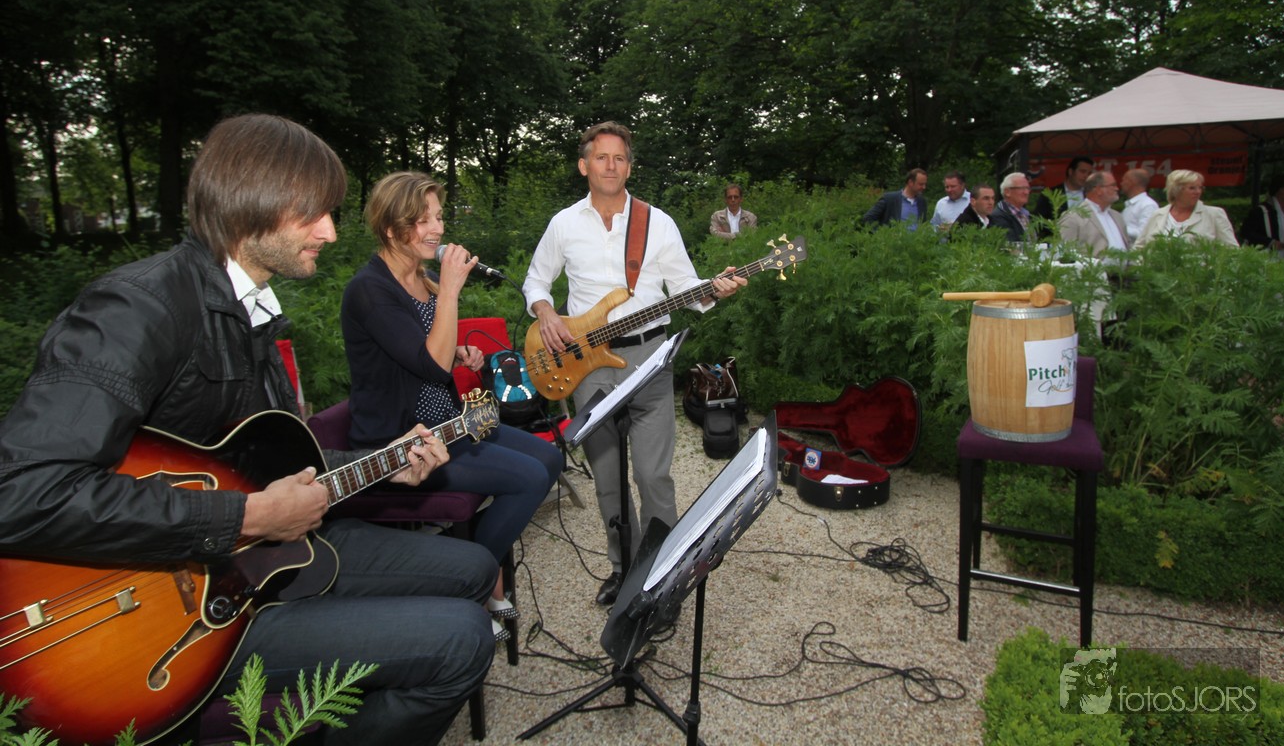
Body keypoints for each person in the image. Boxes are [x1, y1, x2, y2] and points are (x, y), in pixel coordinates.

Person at [0, 115, 497, 745]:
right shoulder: (138, 307)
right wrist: (247, 517)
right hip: (173, 610)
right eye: (314, 212)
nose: (330, 231)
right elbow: (22, 492)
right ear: (250, 203)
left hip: (263, 559)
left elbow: (254, 464)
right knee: (462, 639)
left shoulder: (252, 312)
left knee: (475, 568)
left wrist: (385, 461)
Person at [522, 121, 747, 607]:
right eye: (601, 157)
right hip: (586, 364)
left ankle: (662, 573)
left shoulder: (656, 222)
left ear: (629, 166)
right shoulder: (563, 224)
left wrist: (714, 289)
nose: (611, 166)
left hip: (649, 357)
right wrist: (545, 312)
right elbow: (536, 281)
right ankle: (623, 568)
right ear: (584, 165)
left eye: (619, 158)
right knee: (607, 479)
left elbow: (685, 287)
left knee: (653, 476)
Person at [341, 171, 563, 636]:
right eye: (422, 220)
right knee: (526, 479)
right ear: (391, 228)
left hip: (448, 424)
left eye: (439, 217)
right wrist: (450, 292)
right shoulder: (370, 289)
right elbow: (431, 365)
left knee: (549, 457)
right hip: (404, 442)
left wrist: (461, 350)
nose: (437, 229)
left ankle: (469, 569)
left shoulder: (419, 278)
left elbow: (423, 348)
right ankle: (472, 578)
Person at [1133, 168, 1239, 248]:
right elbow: (1139, 247)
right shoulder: (1158, 215)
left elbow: (1231, 249)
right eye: (1192, 188)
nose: (1198, 192)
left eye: (1200, 187)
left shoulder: (1214, 214)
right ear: (1176, 190)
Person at [1057, 170, 1130, 258]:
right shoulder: (1073, 217)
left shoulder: (1117, 216)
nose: (1117, 188)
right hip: (1093, 266)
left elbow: (1128, 246)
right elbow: (1066, 252)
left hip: (1124, 267)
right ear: (1098, 190)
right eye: (1113, 185)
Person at [1239, 174, 1284, 251]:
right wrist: (1270, 242)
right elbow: (1246, 232)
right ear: (1277, 190)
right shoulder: (1262, 211)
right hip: (1269, 254)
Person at [1035, 156, 1095, 224]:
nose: (1086, 176)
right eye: (1082, 171)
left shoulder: (1092, 194)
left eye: (1089, 173)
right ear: (1070, 171)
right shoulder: (1051, 194)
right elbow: (1039, 221)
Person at [862, 167, 928, 229]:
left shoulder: (922, 202)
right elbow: (868, 218)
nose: (924, 187)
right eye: (921, 184)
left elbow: (923, 224)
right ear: (910, 182)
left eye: (925, 184)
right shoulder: (889, 199)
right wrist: (881, 233)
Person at [988, 172, 1034, 243]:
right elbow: (1010, 245)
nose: (1026, 192)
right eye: (1022, 188)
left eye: (1027, 188)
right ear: (1007, 192)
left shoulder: (1026, 214)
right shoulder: (998, 217)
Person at [1118, 167, 1158, 241]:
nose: (1121, 183)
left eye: (1124, 180)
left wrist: (1118, 227)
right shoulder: (1130, 205)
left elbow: (1145, 234)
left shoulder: (1148, 205)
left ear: (1132, 182)